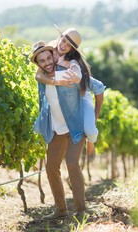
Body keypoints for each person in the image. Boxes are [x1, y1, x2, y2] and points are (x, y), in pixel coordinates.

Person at [30, 41, 105, 221]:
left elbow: (95, 87)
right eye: (42, 60)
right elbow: (39, 78)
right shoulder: (42, 78)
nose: (47, 62)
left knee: (72, 163)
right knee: (50, 167)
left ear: (53, 56)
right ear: (38, 64)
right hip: (56, 129)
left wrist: (94, 115)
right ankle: (61, 209)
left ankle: (80, 210)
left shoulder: (69, 74)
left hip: (74, 127)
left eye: (49, 58)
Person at [35, 27, 104, 162]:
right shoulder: (50, 52)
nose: (64, 45)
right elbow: (38, 75)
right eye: (64, 40)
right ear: (60, 37)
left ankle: (91, 142)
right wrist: (55, 82)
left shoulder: (73, 62)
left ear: (72, 49)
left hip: (82, 96)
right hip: (65, 97)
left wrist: (76, 77)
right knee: (41, 126)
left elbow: (84, 77)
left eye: (69, 45)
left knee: (89, 130)